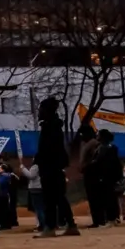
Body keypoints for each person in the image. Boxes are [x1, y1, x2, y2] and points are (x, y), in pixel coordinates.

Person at [34, 97, 78, 239]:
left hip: (50, 167)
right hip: (53, 166)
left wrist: (40, 159)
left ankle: (51, 227)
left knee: (51, 198)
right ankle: (70, 225)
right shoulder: (53, 126)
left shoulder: (50, 127)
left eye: (41, 109)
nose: (39, 112)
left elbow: (49, 149)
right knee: (58, 198)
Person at [18, 160, 44, 232]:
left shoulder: (36, 166)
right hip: (41, 188)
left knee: (38, 208)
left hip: (36, 188)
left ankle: (42, 225)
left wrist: (23, 168)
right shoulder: (45, 165)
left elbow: (31, 176)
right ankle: (42, 225)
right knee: (41, 208)